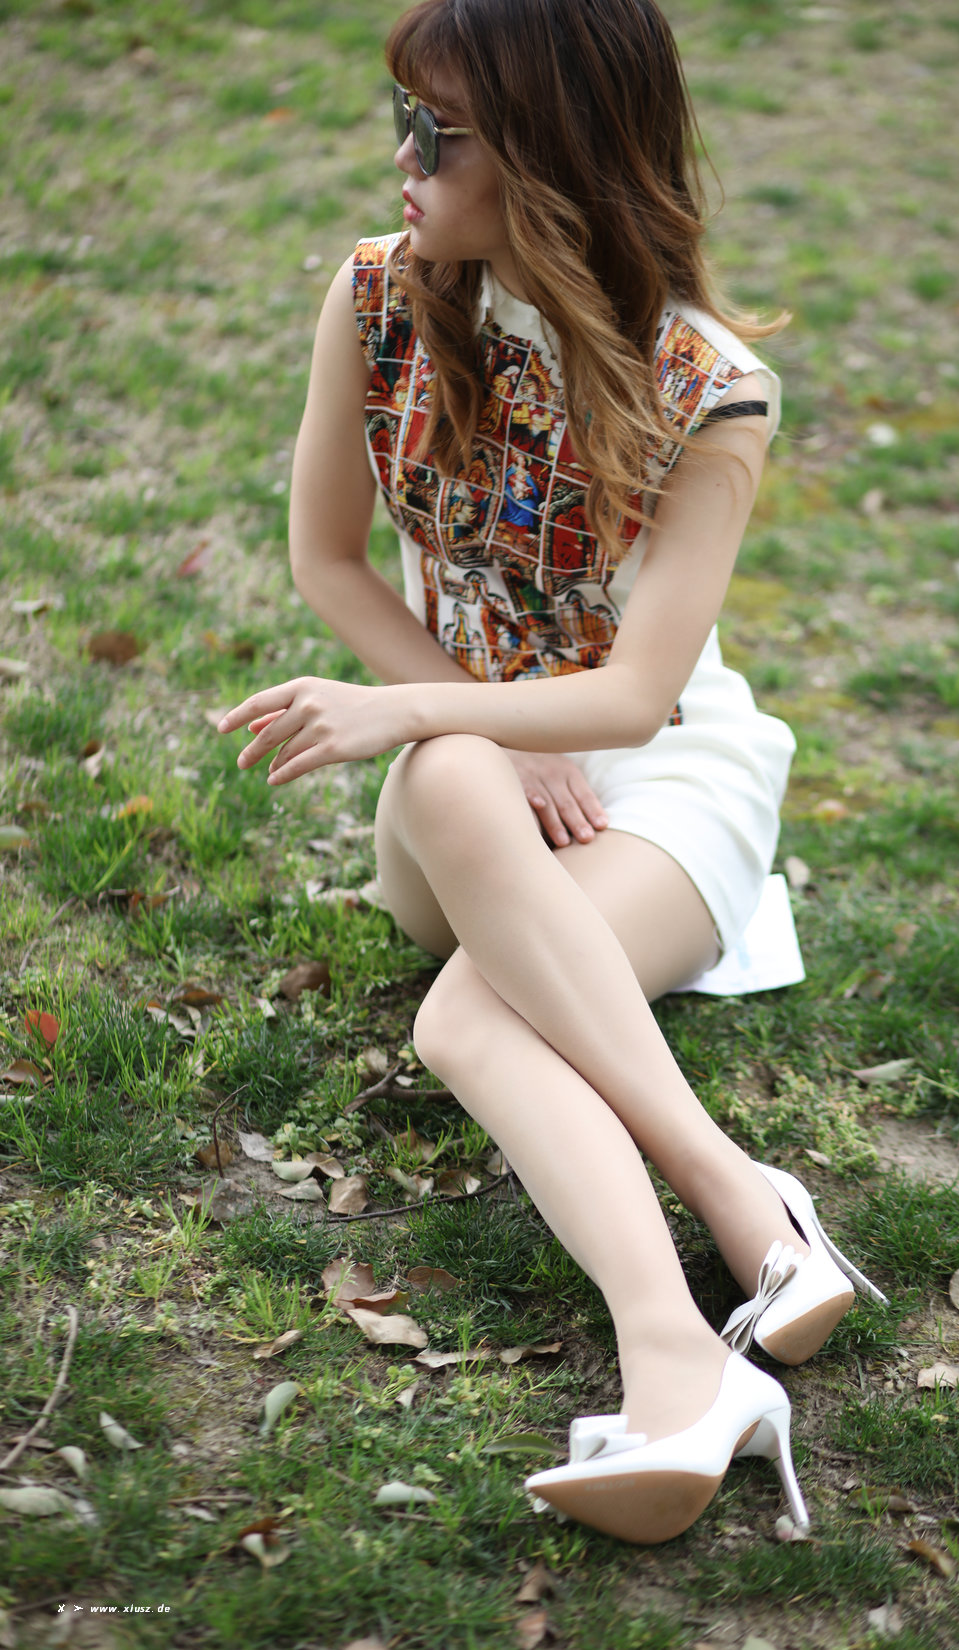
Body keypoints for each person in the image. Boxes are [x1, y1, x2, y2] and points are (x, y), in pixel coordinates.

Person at [218, 0, 886, 1545]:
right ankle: (749, 1202)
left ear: (551, 154)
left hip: (663, 778)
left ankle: (674, 1356)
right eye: (400, 114)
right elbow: (327, 558)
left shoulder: (708, 385)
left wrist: (427, 714)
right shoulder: (378, 297)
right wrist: (474, 721)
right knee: (460, 771)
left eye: (439, 133)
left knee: (465, 1014)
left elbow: (642, 697)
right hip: (475, 789)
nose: (403, 158)